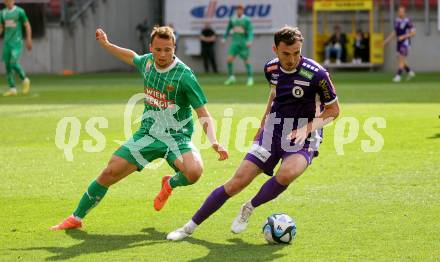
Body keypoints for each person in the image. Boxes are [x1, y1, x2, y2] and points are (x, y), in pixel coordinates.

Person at [167, 26, 340, 241]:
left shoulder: (317, 74)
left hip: (305, 136)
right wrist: (262, 124)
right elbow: (274, 94)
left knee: (286, 174)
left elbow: (334, 110)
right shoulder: (271, 68)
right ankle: (188, 228)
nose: (292, 59)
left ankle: (249, 207)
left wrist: (305, 129)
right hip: (273, 131)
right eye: (286, 53)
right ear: (275, 49)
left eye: (296, 52)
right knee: (236, 182)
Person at [51, 26, 229, 230]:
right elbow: (131, 56)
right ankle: (76, 217)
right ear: (151, 48)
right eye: (158, 49)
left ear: (174, 48)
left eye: (168, 49)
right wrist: (107, 44)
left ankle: (169, 184)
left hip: (177, 137)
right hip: (148, 134)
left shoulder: (184, 76)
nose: (163, 54)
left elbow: (203, 112)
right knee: (110, 171)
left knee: (194, 172)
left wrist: (214, 141)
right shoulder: (147, 63)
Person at [0, 0, 31, 96]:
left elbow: (27, 25)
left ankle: (25, 79)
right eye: (6, 1)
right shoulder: (2, 13)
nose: (8, 2)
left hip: (17, 42)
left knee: (13, 62)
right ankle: (12, 89)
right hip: (7, 43)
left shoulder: (20, 11)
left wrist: (28, 39)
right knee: (8, 66)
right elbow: (1, 27)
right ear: (4, 2)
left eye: (10, 0)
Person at [222, 4, 254, 86]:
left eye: (241, 9)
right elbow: (228, 29)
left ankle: (250, 78)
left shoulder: (246, 20)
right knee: (229, 59)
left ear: (243, 10)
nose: (239, 10)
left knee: (246, 60)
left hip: (243, 43)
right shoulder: (232, 19)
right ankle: (231, 77)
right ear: (236, 10)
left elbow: (250, 31)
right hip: (235, 43)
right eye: (238, 9)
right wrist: (224, 38)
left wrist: (249, 40)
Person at [384, 6, 416, 82]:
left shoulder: (408, 21)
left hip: (405, 43)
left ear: (404, 13)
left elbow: (413, 33)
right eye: (399, 11)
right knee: (400, 61)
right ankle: (410, 72)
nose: (400, 13)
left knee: (401, 60)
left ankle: (398, 76)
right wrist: (387, 40)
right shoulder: (396, 21)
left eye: (402, 11)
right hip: (398, 43)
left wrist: (403, 36)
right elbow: (395, 32)